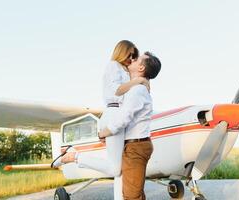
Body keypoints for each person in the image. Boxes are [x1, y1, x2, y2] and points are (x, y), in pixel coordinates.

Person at [53, 40, 149, 199]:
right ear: (121, 51)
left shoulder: (126, 71)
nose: (131, 58)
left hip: (120, 115)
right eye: (129, 54)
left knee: (121, 170)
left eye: (134, 56)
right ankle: (74, 156)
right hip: (114, 113)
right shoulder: (113, 66)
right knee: (115, 169)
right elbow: (117, 92)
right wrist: (139, 81)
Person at [99, 52, 161, 200]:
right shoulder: (138, 87)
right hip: (136, 145)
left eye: (136, 58)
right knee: (135, 193)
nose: (132, 59)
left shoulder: (137, 90)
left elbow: (124, 117)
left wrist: (104, 132)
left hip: (135, 147)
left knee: (132, 196)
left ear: (140, 67)